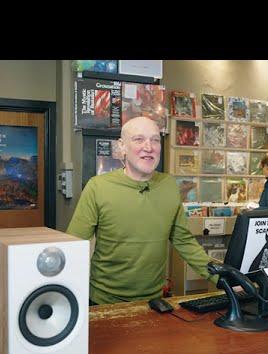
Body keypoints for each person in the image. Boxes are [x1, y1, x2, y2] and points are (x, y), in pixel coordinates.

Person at [67, 116, 215, 305]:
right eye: (139, 139)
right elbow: (73, 245)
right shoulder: (97, 187)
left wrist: (223, 277)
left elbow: (184, 241)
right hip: (103, 303)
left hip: (154, 302)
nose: (149, 147)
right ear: (122, 147)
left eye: (155, 139)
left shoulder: (169, 185)